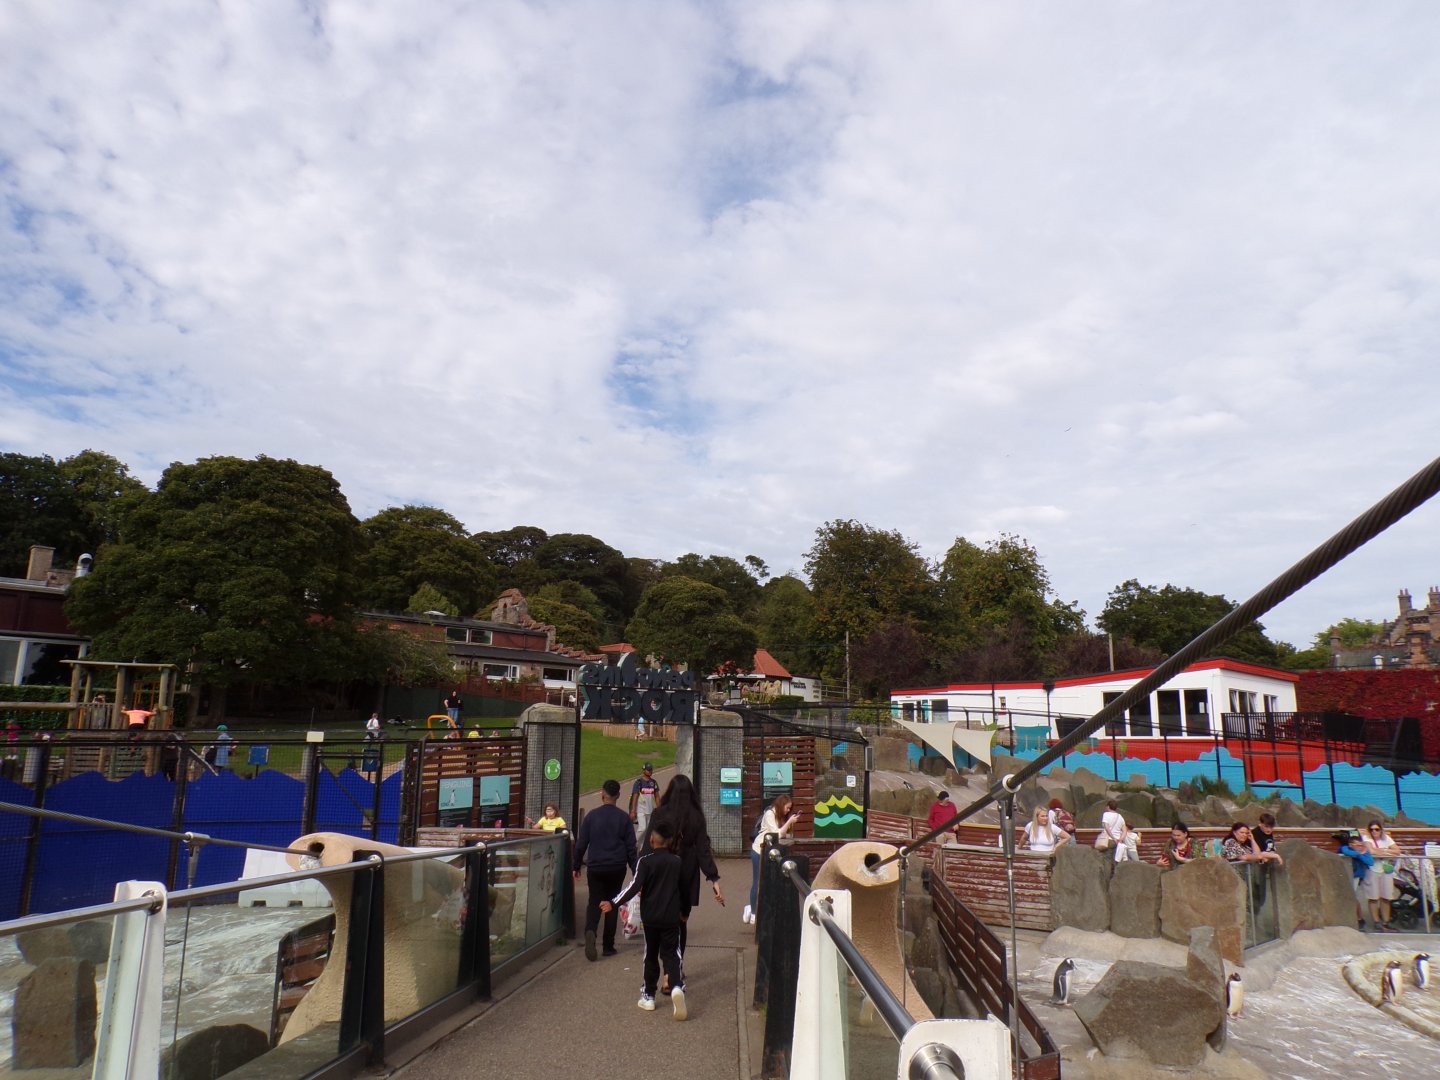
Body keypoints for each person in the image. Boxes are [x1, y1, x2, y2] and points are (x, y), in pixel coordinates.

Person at [600, 818, 688, 1019]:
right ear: (670, 842)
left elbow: (634, 886)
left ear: (652, 840)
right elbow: (684, 889)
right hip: (671, 916)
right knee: (672, 954)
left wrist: (612, 903)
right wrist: (684, 911)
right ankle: (676, 986)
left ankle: (649, 995)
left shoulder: (645, 862)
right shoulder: (677, 862)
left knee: (651, 954)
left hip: (650, 917)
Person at [643, 773, 723, 975]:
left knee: (660, 923)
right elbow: (703, 849)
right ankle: (674, 970)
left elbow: (647, 846)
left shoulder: (660, 813)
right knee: (680, 923)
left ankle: (665, 970)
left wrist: (641, 875)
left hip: (660, 873)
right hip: (686, 874)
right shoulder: (696, 817)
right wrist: (713, 877)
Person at [574, 779, 638, 961]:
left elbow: (581, 844)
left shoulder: (591, 817)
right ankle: (608, 945)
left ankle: (590, 930)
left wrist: (576, 865)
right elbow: (631, 848)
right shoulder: (624, 818)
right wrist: (636, 871)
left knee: (594, 901)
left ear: (602, 794)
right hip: (617, 866)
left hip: (595, 865)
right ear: (618, 795)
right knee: (613, 901)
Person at [747, 794, 799, 924]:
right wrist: (789, 822)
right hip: (759, 850)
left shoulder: (781, 816)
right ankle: (752, 911)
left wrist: (790, 824)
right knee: (757, 882)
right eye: (787, 808)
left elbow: (786, 834)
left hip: (769, 852)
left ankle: (756, 910)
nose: (788, 810)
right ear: (781, 805)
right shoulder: (770, 814)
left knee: (766, 882)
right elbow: (777, 833)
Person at [1362, 819, 1401, 929]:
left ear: (1381, 830)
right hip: (1372, 869)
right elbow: (1372, 851)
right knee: (1373, 897)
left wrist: (1382, 851)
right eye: (1372, 829)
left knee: (1386, 897)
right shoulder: (1366, 838)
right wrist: (1387, 851)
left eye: (1377, 829)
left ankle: (1386, 921)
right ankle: (1376, 921)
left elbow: (1397, 850)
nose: (1374, 831)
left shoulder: (1386, 838)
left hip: (1385, 870)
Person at [1333, 830, 1374, 929]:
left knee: (1353, 896)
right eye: (1357, 845)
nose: (1360, 846)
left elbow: (1370, 862)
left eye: (1361, 845)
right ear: (1351, 844)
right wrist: (1359, 853)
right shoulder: (1346, 848)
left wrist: (1361, 854)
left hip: (1356, 876)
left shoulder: (1364, 851)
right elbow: (1345, 851)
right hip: (1344, 875)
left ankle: (1359, 919)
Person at [630, 763, 660, 835]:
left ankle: (643, 846)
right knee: (642, 829)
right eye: (648, 770)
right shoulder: (638, 782)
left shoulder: (653, 782)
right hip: (641, 810)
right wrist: (633, 810)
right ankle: (635, 844)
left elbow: (657, 796)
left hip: (650, 810)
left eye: (651, 770)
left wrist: (660, 809)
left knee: (648, 831)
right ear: (644, 770)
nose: (650, 771)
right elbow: (635, 796)